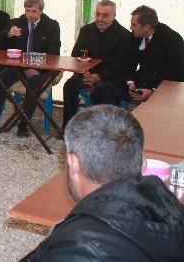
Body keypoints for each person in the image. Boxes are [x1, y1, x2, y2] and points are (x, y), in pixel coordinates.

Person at [20, 104, 184, 261]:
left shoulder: (78, 248)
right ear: (143, 165)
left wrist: (60, 237)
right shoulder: (171, 208)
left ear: (73, 163)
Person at [0, 0, 60, 137]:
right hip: (18, 66)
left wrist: (39, 70)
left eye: (34, 11)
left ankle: (24, 123)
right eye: (27, 10)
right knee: (1, 78)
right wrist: (8, 34)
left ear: (41, 11)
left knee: (34, 85)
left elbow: (54, 54)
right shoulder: (17, 22)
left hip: (40, 68)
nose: (30, 15)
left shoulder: (51, 26)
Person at [93, 5, 184, 107]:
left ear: (146, 27)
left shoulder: (172, 40)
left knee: (137, 113)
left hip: (161, 89)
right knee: (104, 87)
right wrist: (130, 82)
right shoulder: (135, 36)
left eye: (134, 25)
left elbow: (177, 74)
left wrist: (152, 91)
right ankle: (109, 119)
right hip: (140, 83)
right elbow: (128, 62)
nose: (131, 28)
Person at [61, 0, 132, 131]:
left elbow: (121, 64)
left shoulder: (124, 35)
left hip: (109, 77)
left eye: (105, 15)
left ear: (114, 15)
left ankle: (101, 131)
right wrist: (83, 73)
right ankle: (69, 128)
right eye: (97, 14)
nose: (100, 19)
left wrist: (99, 76)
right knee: (70, 85)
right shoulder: (86, 30)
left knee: (103, 89)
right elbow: (75, 55)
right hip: (85, 74)